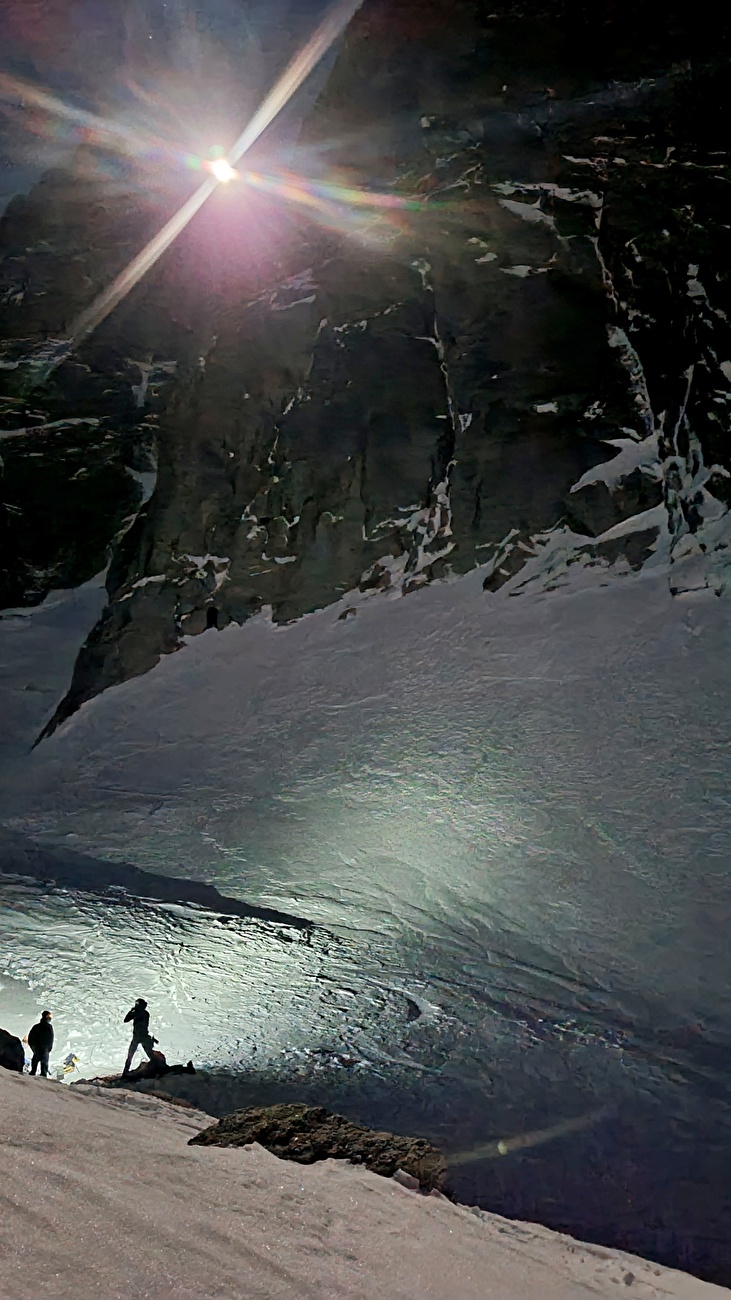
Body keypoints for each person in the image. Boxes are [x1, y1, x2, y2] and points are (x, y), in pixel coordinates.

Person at [122, 998, 157, 1076]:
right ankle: (155, 1067)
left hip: (139, 1037)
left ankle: (125, 1072)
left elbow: (126, 1019)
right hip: (141, 1037)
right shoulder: (144, 1013)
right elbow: (126, 1020)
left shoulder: (140, 1013)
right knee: (134, 1054)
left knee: (131, 1055)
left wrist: (132, 1011)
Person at [27, 1010, 54, 1077]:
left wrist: (33, 1047)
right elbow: (51, 1039)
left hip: (37, 1048)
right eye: (50, 1016)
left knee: (34, 1064)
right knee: (44, 1067)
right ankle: (42, 1077)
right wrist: (49, 1048)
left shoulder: (36, 1027)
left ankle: (32, 1074)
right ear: (46, 1017)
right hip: (45, 1049)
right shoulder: (49, 1027)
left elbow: (30, 1038)